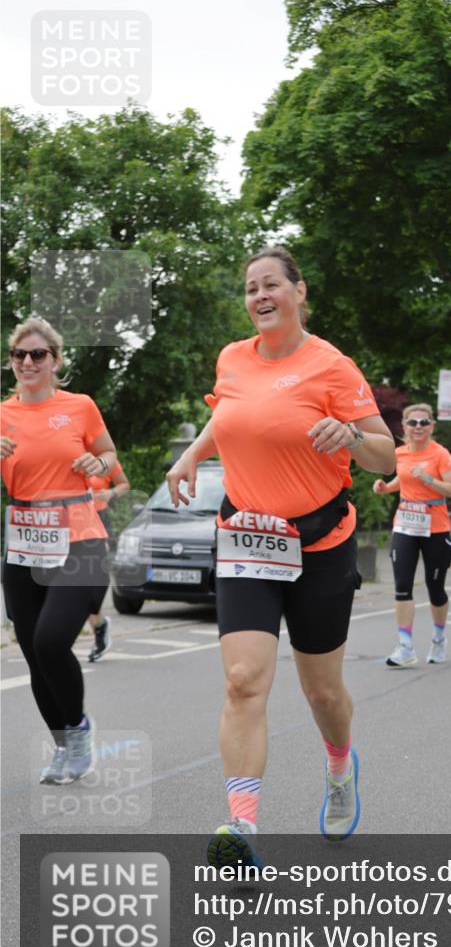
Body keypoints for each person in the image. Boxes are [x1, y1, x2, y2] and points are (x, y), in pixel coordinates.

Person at [165, 246, 394, 863]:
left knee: (322, 693)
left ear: (299, 290)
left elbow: (385, 453)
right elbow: (232, 415)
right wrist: (192, 453)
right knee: (243, 682)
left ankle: (340, 765)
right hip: (245, 538)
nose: (259, 296)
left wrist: (348, 434)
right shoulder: (233, 359)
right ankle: (241, 826)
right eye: (250, 288)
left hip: (319, 543)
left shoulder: (332, 366)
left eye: (270, 285)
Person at [1, 318, 117, 784]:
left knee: (52, 642)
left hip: (79, 540)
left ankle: (80, 731)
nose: (28, 363)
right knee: (33, 653)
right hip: (24, 543)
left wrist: (98, 461)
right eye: (19, 355)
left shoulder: (80, 407)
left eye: (38, 355)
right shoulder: (2, 414)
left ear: (55, 360)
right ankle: (64, 746)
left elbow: (108, 454)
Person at [373, 404, 451, 666]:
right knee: (402, 588)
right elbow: (404, 479)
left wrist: (429, 480)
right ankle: (405, 646)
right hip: (406, 525)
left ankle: (438, 638)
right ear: (404, 426)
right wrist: (386, 487)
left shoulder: (440, 455)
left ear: (432, 426)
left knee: (436, 589)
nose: (418, 427)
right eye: (413, 423)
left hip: (436, 528)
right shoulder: (399, 454)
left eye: (424, 422)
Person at [85, 459, 130, 662]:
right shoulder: (67, 453)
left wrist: (110, 493)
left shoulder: (105, 459)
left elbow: (124, 484)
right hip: (68, 519)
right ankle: (99, 626)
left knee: (87, 578)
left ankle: (99, 628)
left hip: (98, 520)